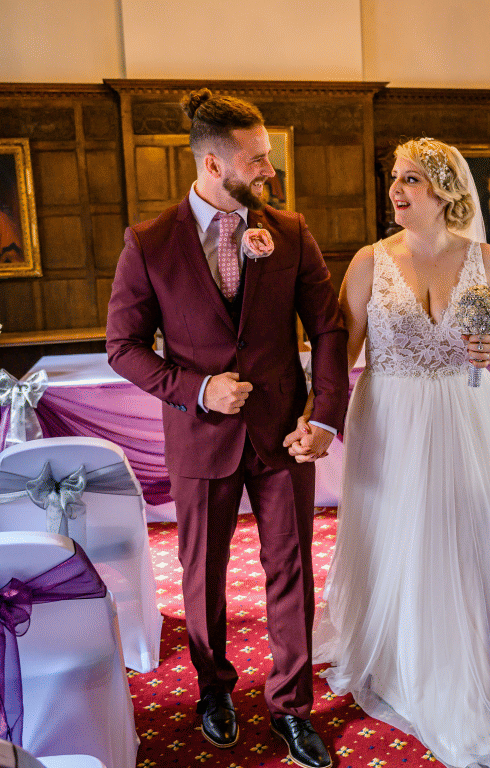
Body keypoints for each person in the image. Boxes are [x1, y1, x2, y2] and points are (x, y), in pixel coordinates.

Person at [106, 89, 348, 768]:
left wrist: (325, 416)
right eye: (258, 159)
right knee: (202, 573)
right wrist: (197, 388)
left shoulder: (290, 232)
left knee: (291, 569)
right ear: (213, 165)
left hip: (284, 434)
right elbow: (122, 347)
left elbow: (329, 327)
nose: (270, 170)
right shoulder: (149, 243)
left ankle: (291, 707)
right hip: (200, 435)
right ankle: (214, 690)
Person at [314, 138, 490, 768]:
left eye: (410, 180)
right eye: (395, 179)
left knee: (454, 532)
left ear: (444, 191)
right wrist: (314, 408)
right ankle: (395, 654)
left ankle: (450, 660)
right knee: (394, 530)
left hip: (463, 412)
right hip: (390, 416)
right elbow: (344, 347)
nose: (396, 191)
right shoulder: (370, 261)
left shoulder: (484, 259)